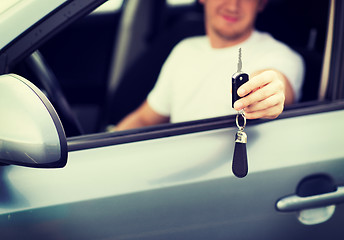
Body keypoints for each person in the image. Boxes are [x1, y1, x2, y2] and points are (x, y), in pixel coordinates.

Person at [115, 0, 304, 131]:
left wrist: (266, 92)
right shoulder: (185, 50)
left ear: (261, 3)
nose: (233, 5)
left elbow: (275, 81)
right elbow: (145, 118)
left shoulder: (282, 56)